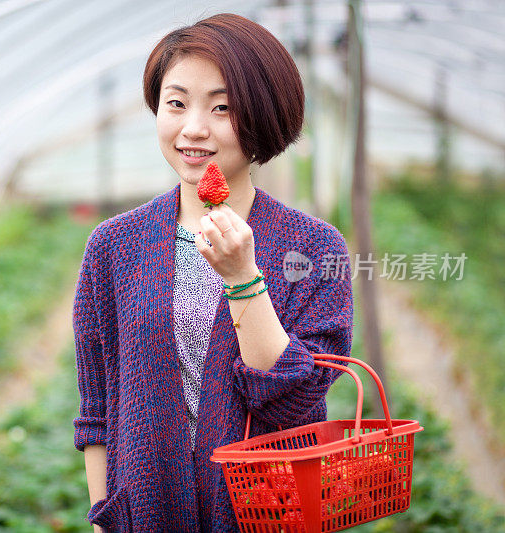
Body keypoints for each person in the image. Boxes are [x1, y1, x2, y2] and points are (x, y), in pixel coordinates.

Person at [73, 13, 353, 532]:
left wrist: (243, 278)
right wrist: (103, 520)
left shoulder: (314, 248)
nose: (193, 128)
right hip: (145, 518)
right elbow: (97, 408)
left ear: (266, 115)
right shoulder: (114, 246)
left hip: (268, 517)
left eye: (222, 108)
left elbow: (296, 404)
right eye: (176, 103)